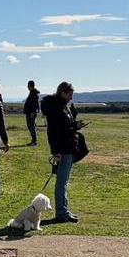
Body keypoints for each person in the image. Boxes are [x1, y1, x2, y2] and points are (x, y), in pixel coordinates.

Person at [44, 81, 84, 223]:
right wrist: (55, 151)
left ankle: (63, 210)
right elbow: (53, 132)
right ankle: (61, 212)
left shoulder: (60, 107)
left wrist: (74, 124)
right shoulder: (56, 109)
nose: (71, 98)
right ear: (63, 93)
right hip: (63, 150)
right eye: (70, 95)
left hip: (67, 148)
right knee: (61, 182)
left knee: (63, 182)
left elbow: (64, 128)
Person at [24, 80, 41, 146]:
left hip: (31, 113)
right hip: (30, 112)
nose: (27, 87)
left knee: (31, 127)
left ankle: (34, 141)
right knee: (30, 126)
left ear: (30, 86)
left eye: (28, 85)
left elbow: (35, 104)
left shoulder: (33, 93)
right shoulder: (32, 92)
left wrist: (33, 112)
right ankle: (33, 141)